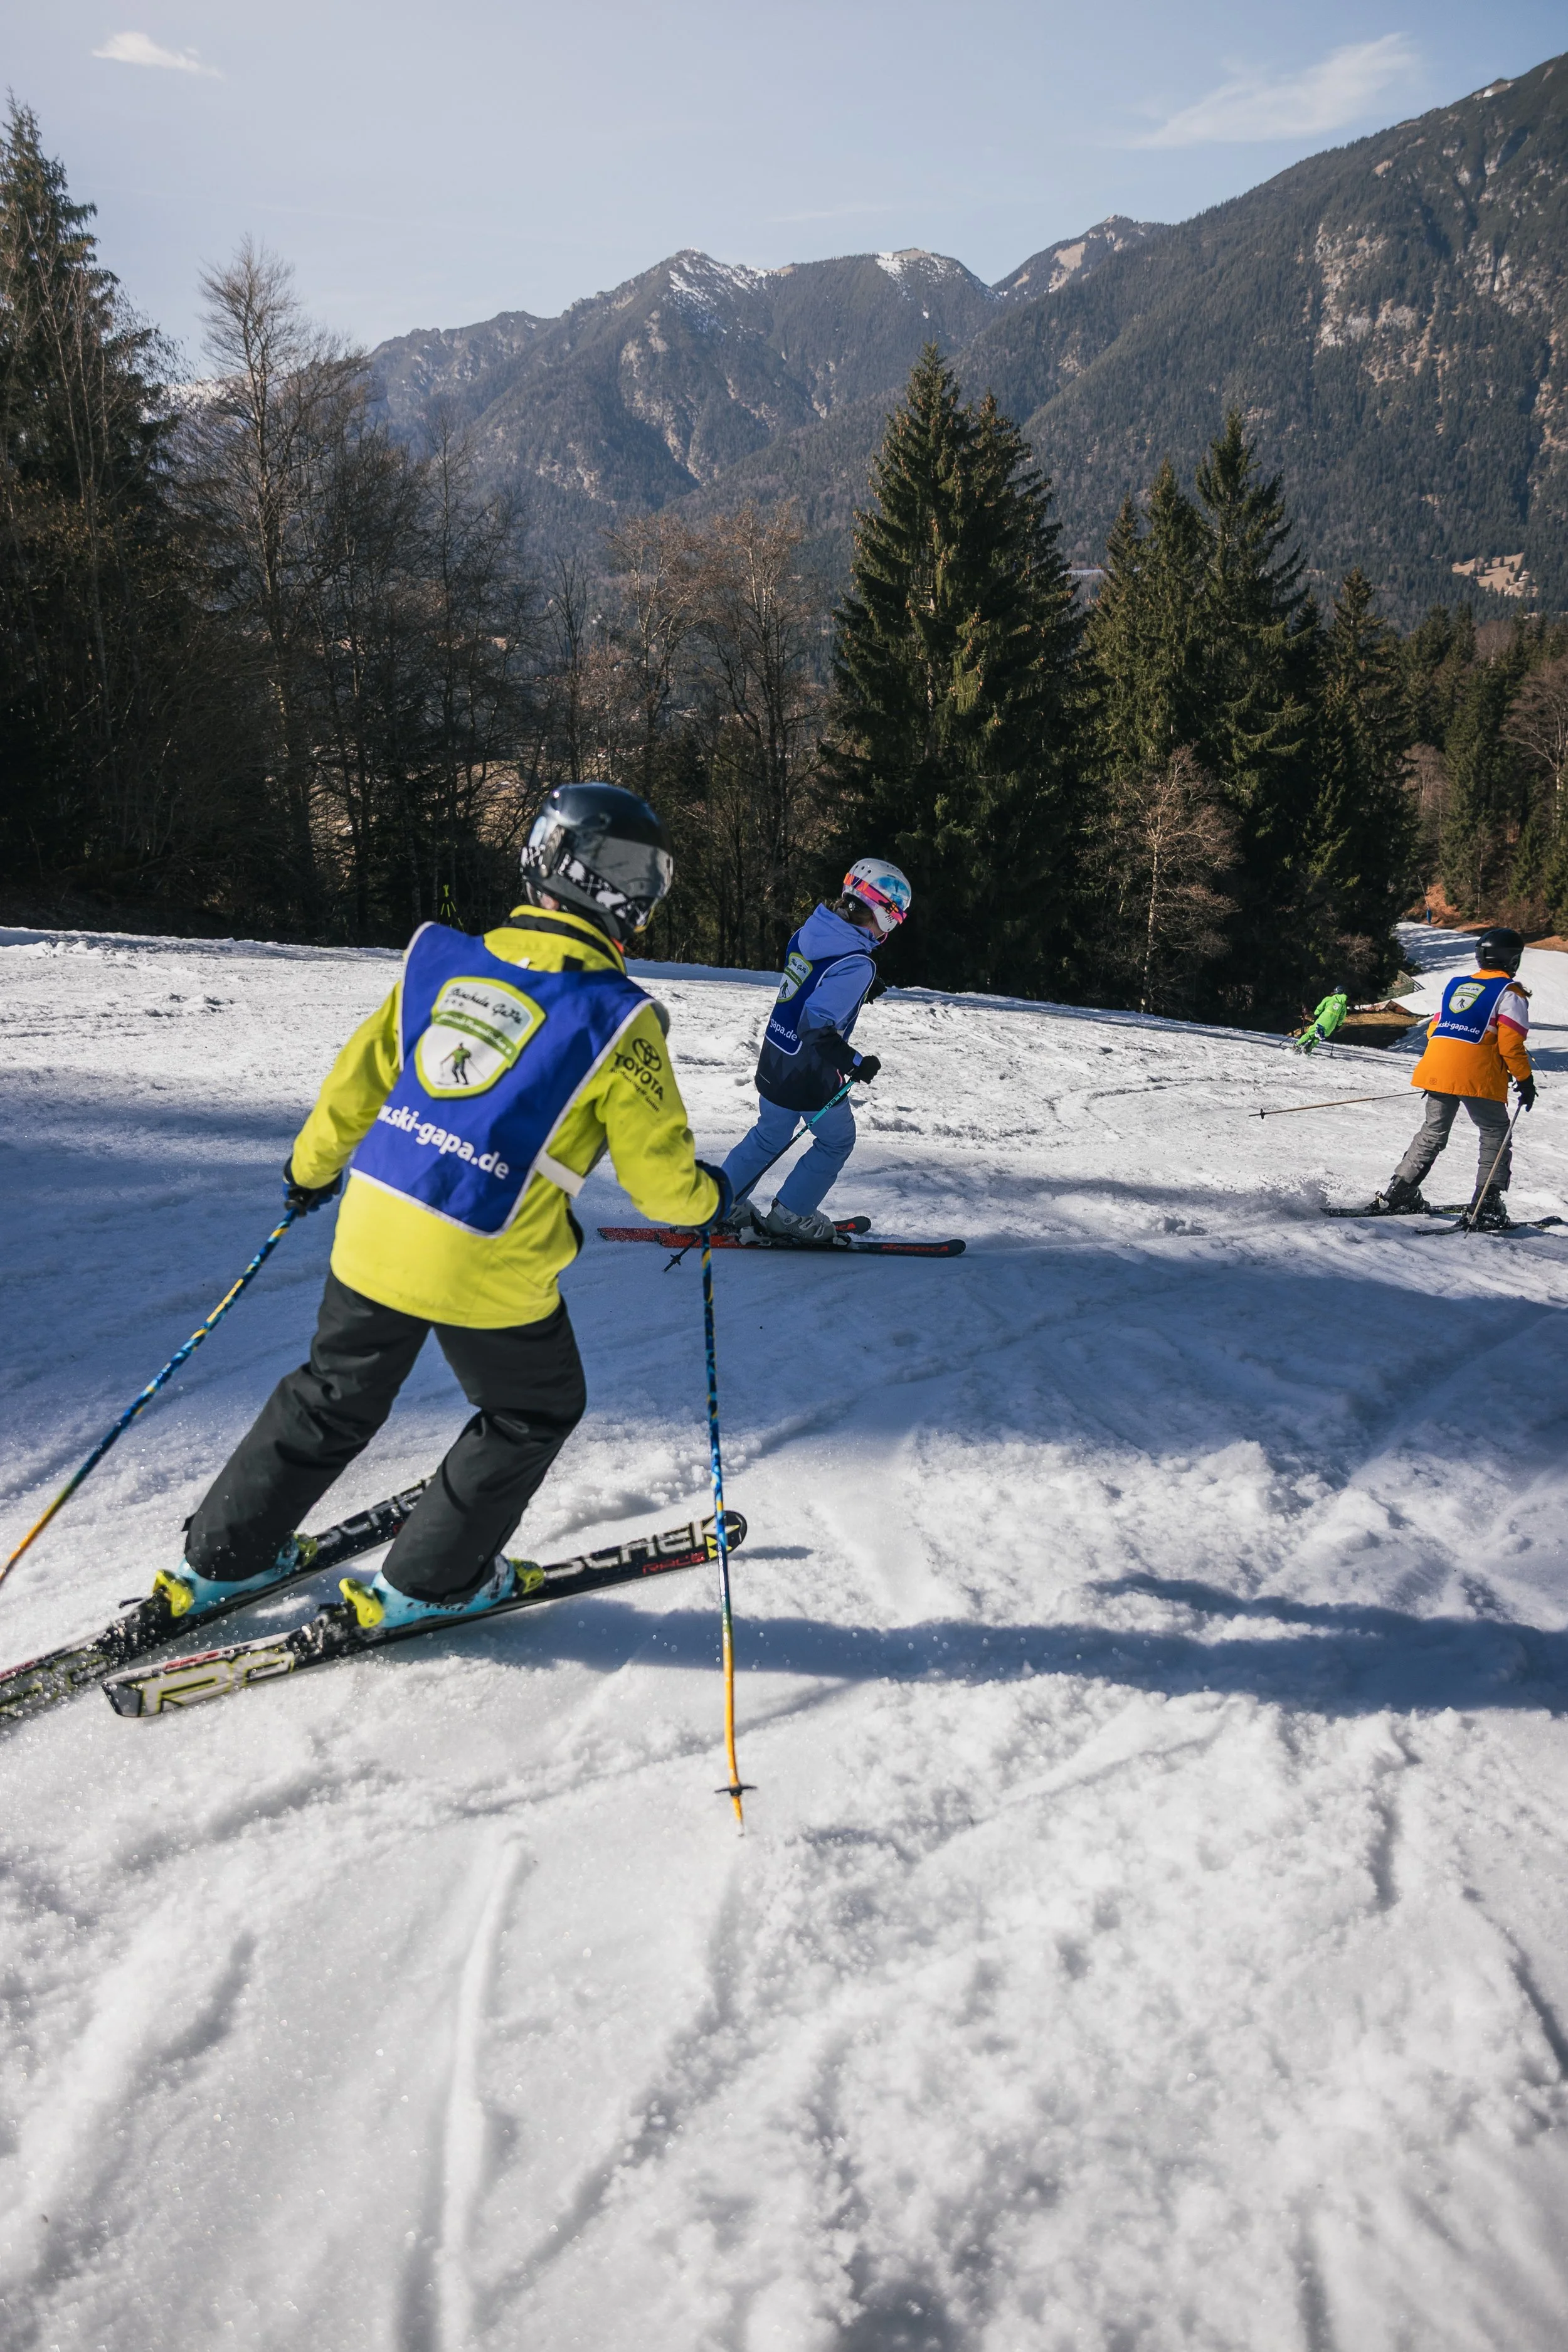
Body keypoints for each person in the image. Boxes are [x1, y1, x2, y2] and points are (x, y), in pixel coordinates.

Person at [152, 783, 729, 1633]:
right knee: (531, 1409)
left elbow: (358, 1081)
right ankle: (433, 1578)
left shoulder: (444, 959)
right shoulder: (618, 1016)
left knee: (332, 1392)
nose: (636, 889)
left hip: (377, 1218)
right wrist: (710, 1199)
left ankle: (222, 1558)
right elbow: (662, 1185)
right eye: (632, 872)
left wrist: (308, 1171)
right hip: (483, 1256)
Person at [719, 859, 911, 1244]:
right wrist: (855, 1063)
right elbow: (816, 1025)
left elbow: (810, 982)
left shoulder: (812, 930)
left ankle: (719, 1205)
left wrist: (855, 991)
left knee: (768, 1136)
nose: (894, 924)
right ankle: (792, 1214)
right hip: (808, 1074)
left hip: (775, 1054)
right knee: (836, 1140)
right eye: (895, 915)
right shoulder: (858, 963)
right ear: (881, 912)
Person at [1371, 926, 1535, 1227]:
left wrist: (1442, 1074)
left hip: (1438, 1069)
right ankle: (1486, 1204)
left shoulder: (1457, 985)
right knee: (1495, 1133)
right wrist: (1525, 1081)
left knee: (1433, 1132)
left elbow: (1435, 1029)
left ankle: (1399, 1193)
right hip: (1477, 1076)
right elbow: (1511, 1045)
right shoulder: (1509, 994)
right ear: (1512, 959)